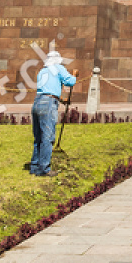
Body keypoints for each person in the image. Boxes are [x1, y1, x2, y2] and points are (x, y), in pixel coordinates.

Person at [28, 40, 76, 177]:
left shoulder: (42, 71)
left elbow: (47, 90)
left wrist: (61, 100)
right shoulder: (58, 68)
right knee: (47, 137)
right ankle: (44, 169)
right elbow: (70, 81)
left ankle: (34, 166)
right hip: (48, 104)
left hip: (37, 102)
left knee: (38, 136)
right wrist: (74, 74)